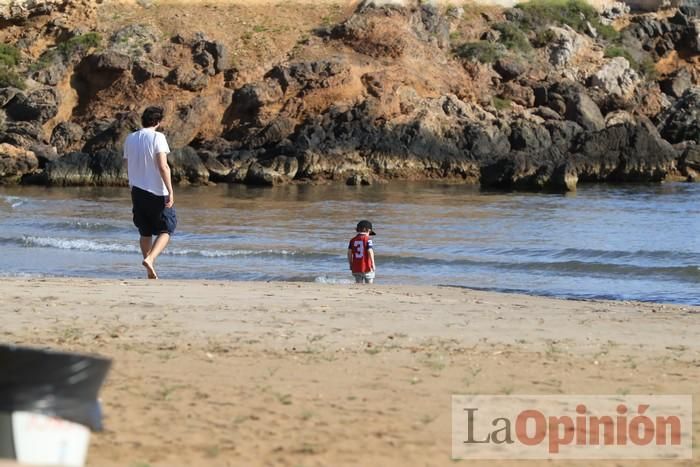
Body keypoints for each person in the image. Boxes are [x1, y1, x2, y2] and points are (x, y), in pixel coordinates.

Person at [123, 106, 176, 279]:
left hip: (136, 190)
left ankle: (148, 268)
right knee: (167, 228)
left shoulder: (130, 138)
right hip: (156, 190)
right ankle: (151, 259)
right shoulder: (158, 137)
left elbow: (127, 165)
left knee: (144, 231)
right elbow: (163, 166)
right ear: (158, 122)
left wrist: (131, 185)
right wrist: (170, 190)